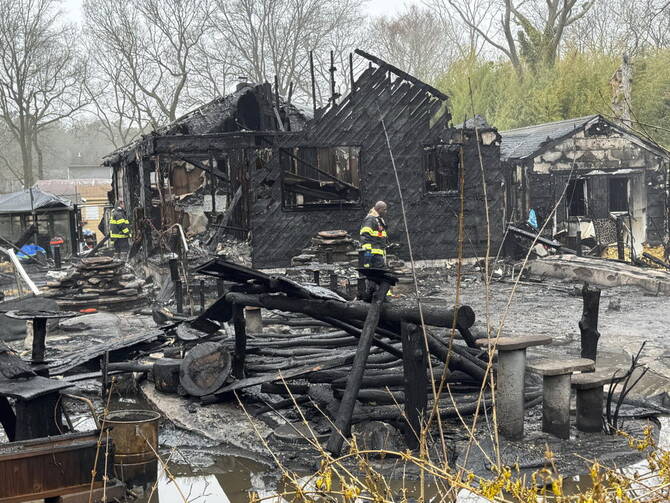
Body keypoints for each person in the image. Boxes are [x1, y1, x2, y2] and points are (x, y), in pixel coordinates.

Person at [359, 201, 388, 268]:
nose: (385, 212)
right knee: (378, 271)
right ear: (379, 209)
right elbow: (365, 235)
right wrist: (368, 253)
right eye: (384, 209)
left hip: (378, 253)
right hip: (373, 254)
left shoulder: (377, 219)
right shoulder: (370, 219)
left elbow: (377, 236)